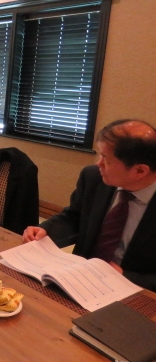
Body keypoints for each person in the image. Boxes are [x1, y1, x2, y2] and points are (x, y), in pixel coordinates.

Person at [23, 119, 156, 290]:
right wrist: (45, 231)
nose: (98, 164)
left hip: (133, 290)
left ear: (140, 170)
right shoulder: (94, 177)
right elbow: (74, 217)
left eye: (106, 159)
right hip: (78, 279)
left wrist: (126, 276)